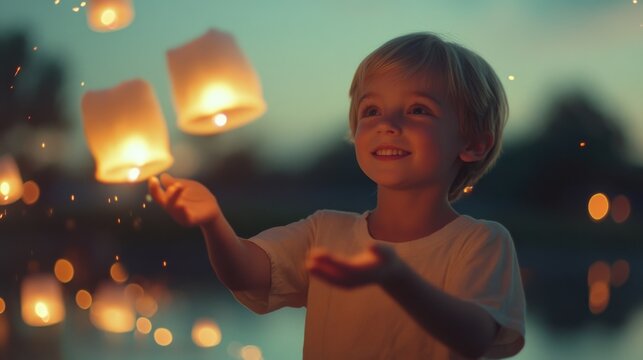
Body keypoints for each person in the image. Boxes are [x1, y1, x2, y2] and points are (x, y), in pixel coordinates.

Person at [149, 32, 526, 359]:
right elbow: (246, 274)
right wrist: (213, 222)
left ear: (474, 144)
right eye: (372, 110)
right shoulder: (325, 232)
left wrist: (396, 278)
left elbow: (475, 337)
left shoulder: (481, 242)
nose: (388, 125)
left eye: (418, 110)